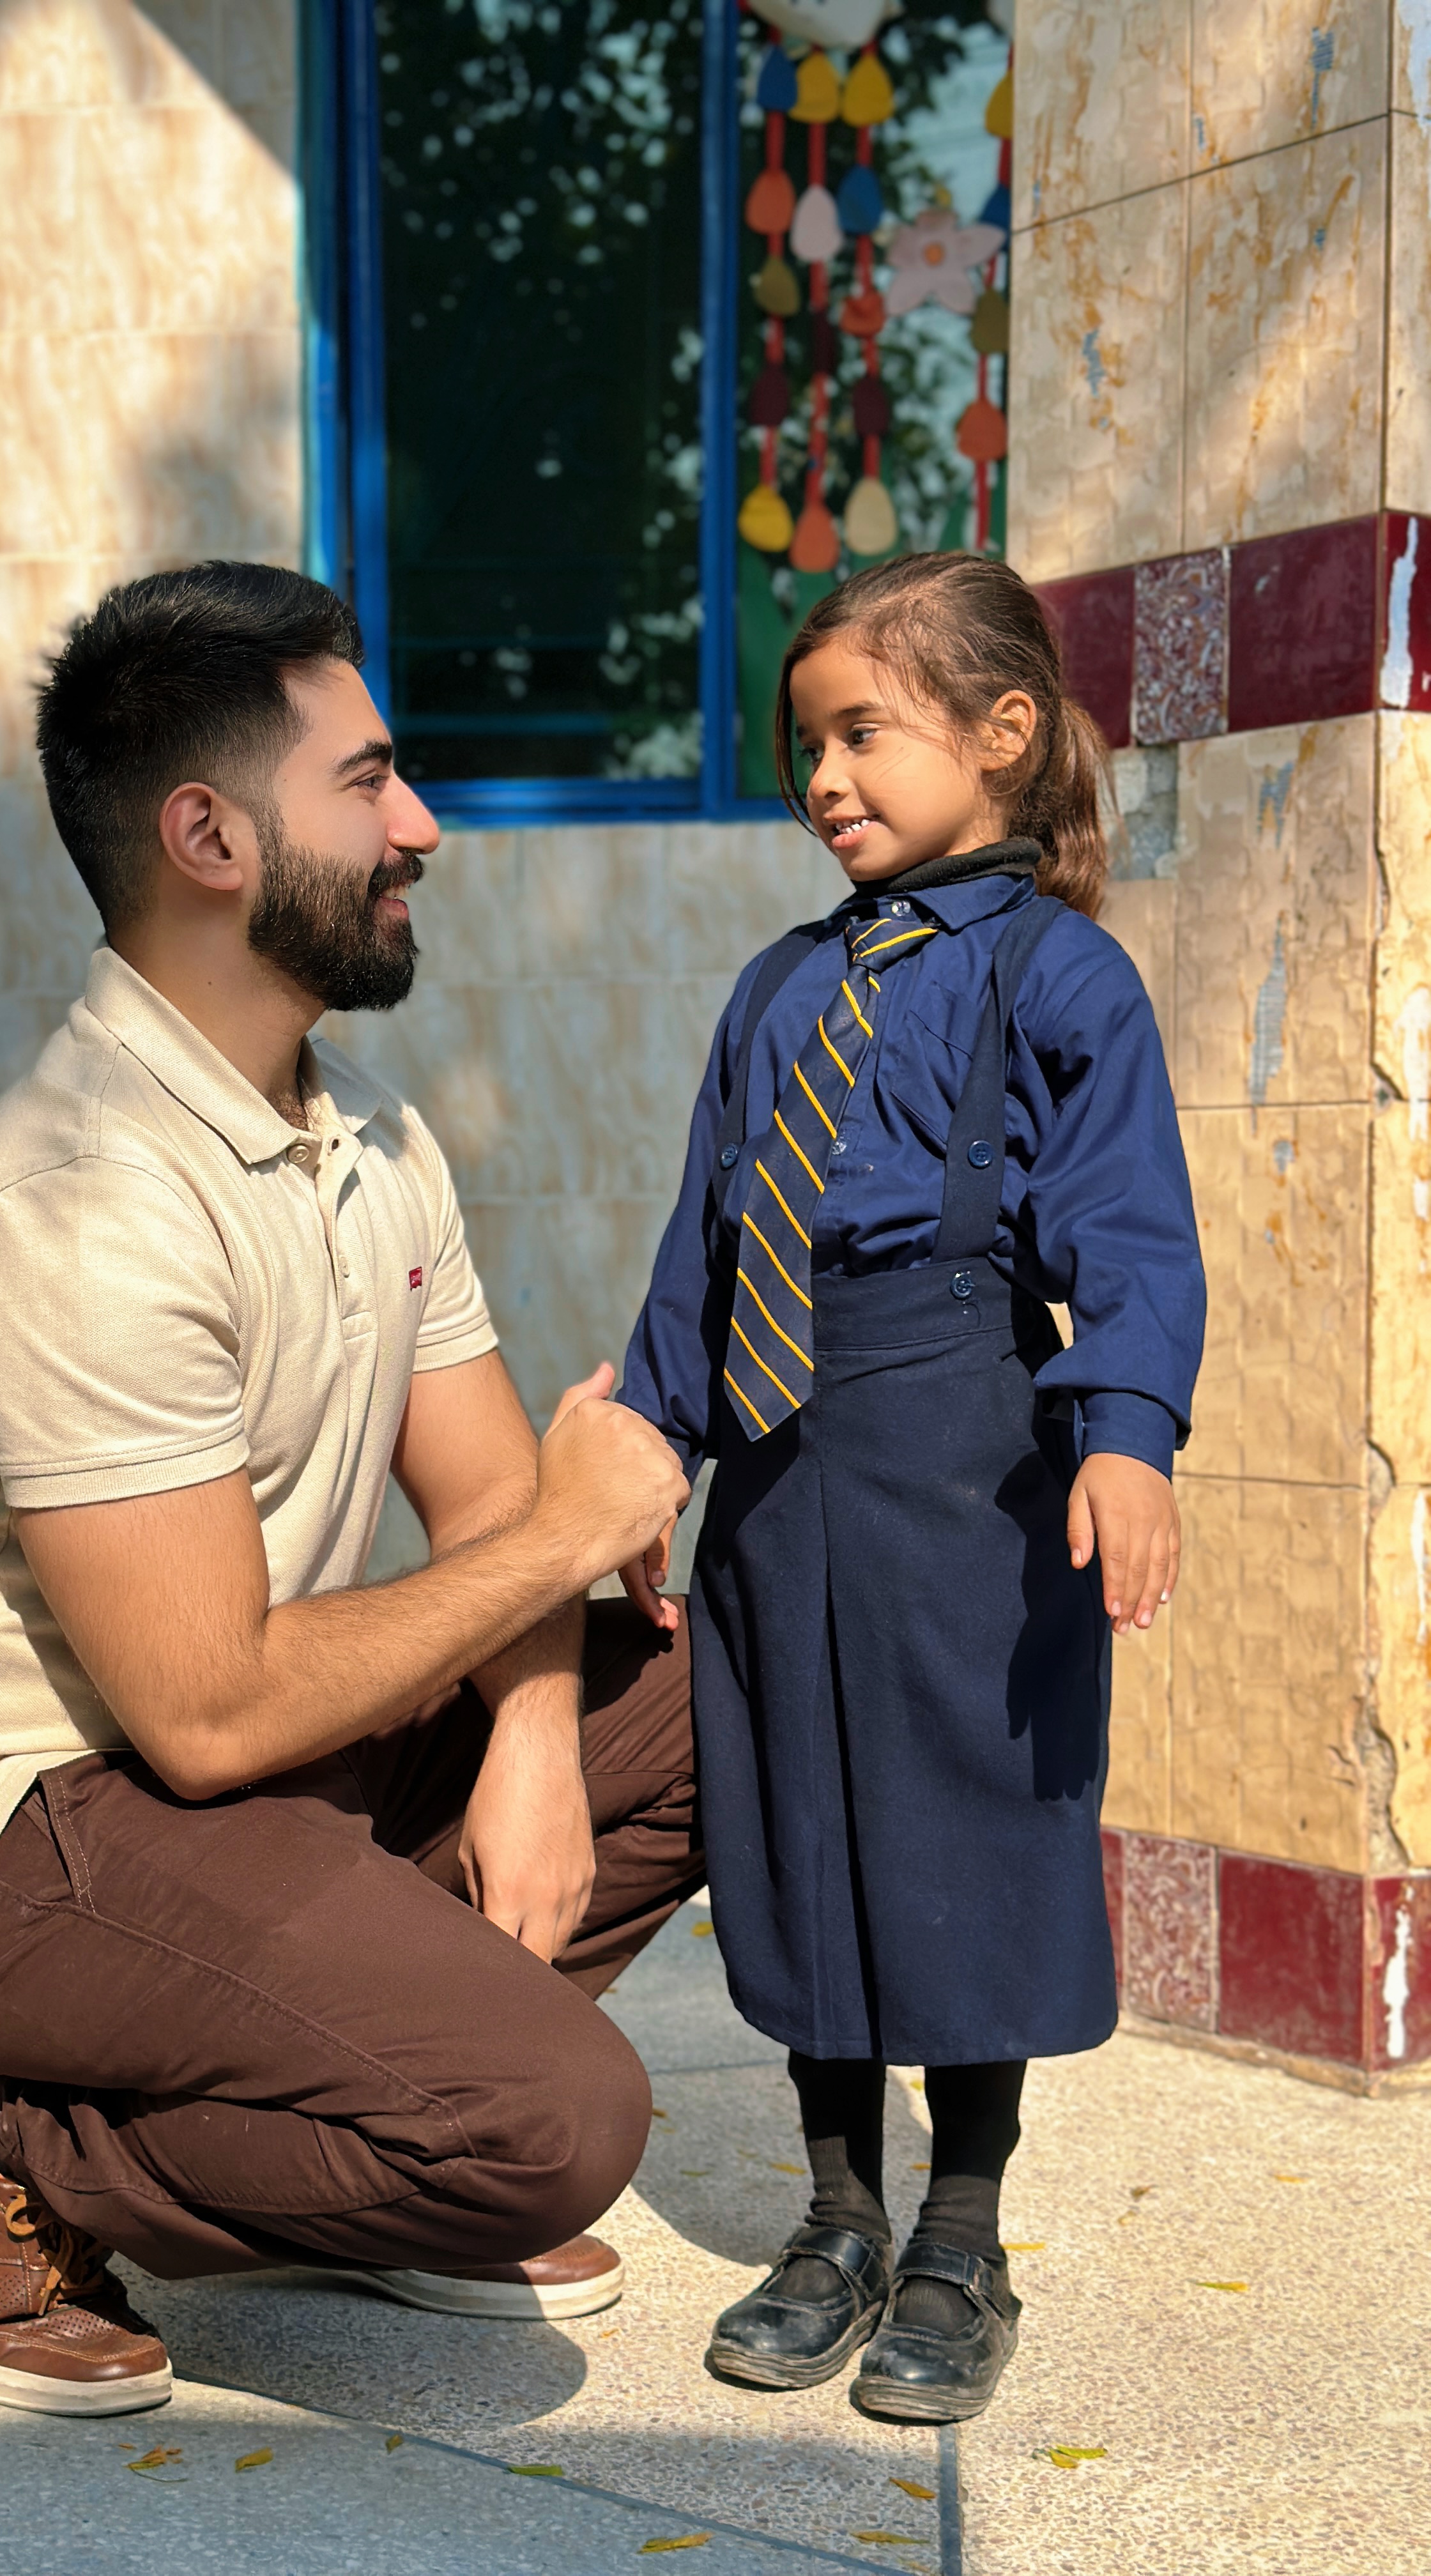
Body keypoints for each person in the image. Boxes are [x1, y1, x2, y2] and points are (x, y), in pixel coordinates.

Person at [0, 562, 698, 2418]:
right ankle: (14, 2160)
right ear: (208, 834)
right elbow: (206, 1716)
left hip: (236, 1785)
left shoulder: (364, 1136)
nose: (422, 826)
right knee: (555, 2122)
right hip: (23, 1846)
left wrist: (537, 1742)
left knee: (737, 1682)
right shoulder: (84, 1201)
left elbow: (486, 1498)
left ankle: (348, 2126)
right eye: (368, 783)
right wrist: (566, 1528)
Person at [616, 553, 1204, 2425]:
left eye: (862, 731)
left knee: (962, 1834)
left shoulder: (1064, 977)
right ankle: (835, 2217)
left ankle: (960, 2237)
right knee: (798, 1822)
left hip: (969, 1457)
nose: (825, 777)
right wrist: (652, 1439)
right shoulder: (776, 987)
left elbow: (1129, 1229)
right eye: (809, 746)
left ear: (1001, 734)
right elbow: (705, 1241)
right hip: (783, 1478)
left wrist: (1125, 1431)